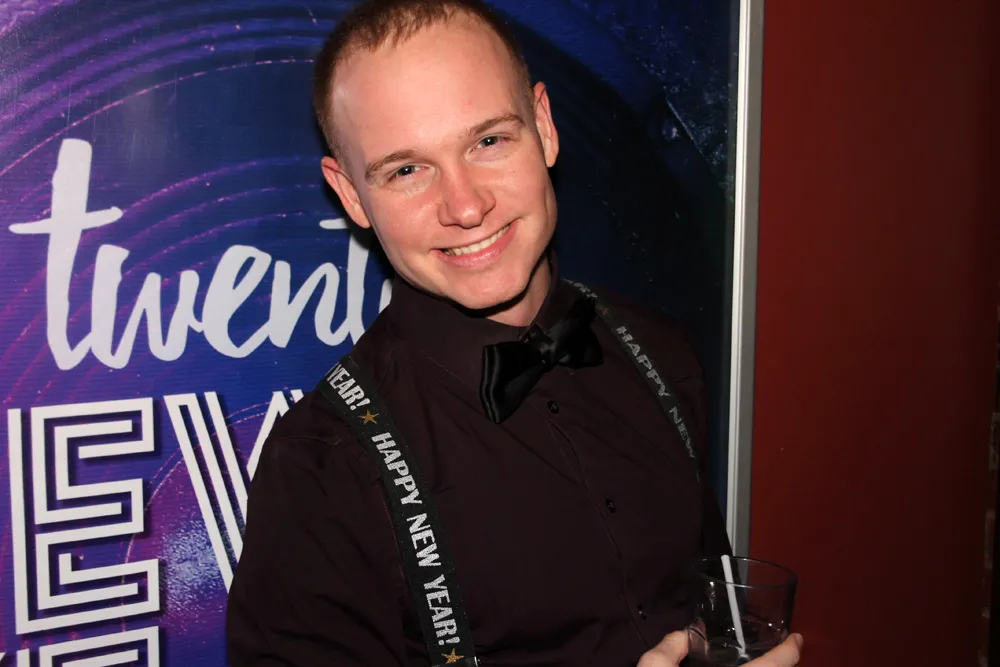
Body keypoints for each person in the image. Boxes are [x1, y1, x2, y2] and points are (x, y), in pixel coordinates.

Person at [226, 1, 802, 665]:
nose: (466, 206)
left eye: (489, 141)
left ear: (545, 128)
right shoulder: (320, 468)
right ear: (352, 195)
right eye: (407, 170)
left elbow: (707, 609)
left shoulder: (663, 351)